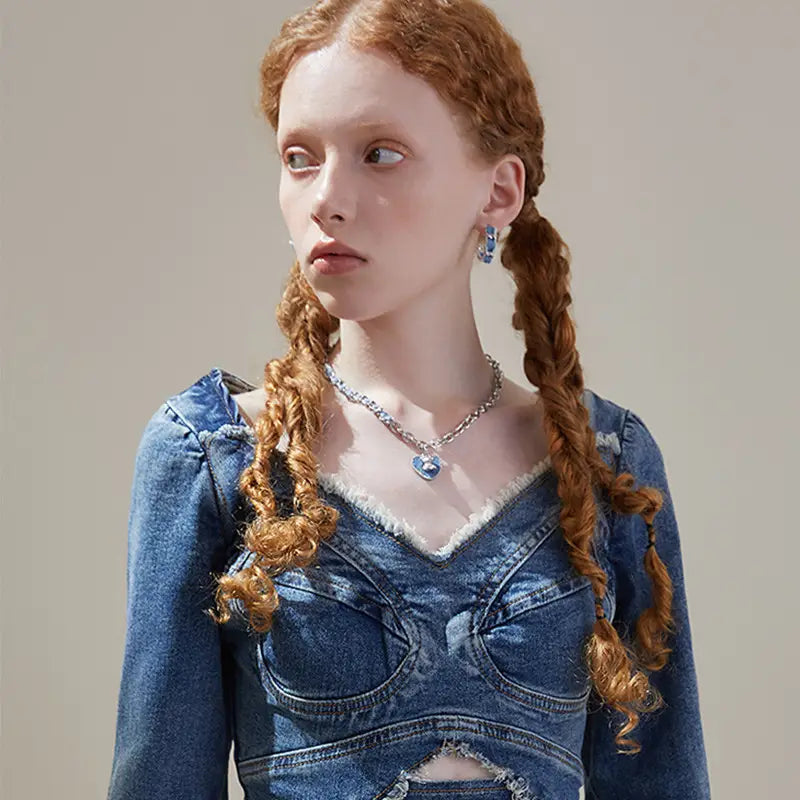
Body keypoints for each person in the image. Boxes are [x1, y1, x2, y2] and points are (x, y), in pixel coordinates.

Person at [106, 1, 711, 798]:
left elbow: (662, 782)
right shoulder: (219, 460)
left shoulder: (604, 466)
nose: (327, 196)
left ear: (498, 192)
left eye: (379, 154)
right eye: (298, 158)